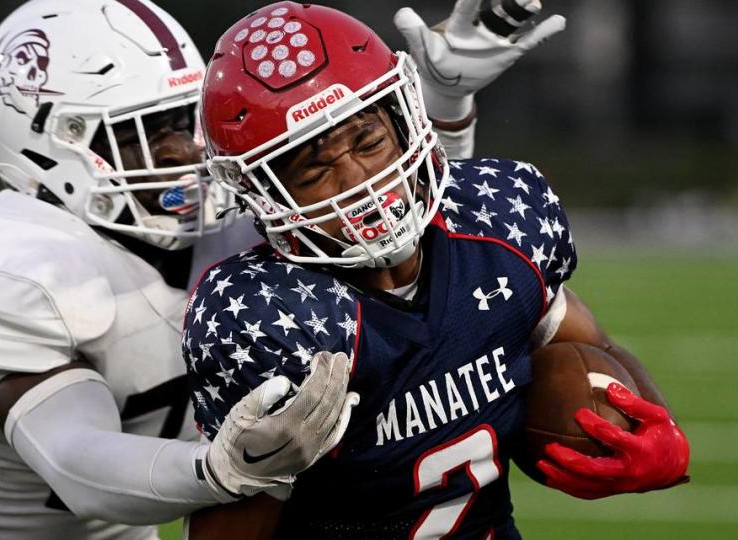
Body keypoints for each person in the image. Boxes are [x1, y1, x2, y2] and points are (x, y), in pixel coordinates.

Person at [182, 1, 691, 538]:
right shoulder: (271, 318)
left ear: (405, 123)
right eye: (315, 168)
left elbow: (592, 350)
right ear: (260, 195)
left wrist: (659, 434)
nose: (360, 179)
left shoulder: (496, 226)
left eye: (370, 142)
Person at [0, 1, 357, 538]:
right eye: (143, 134)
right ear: (48, 147)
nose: (182, 153)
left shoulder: (231, 225)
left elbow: (397, 244)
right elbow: (72, 460)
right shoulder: (9, 260)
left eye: (185, 122)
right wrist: (221, 468)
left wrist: (448, 110)